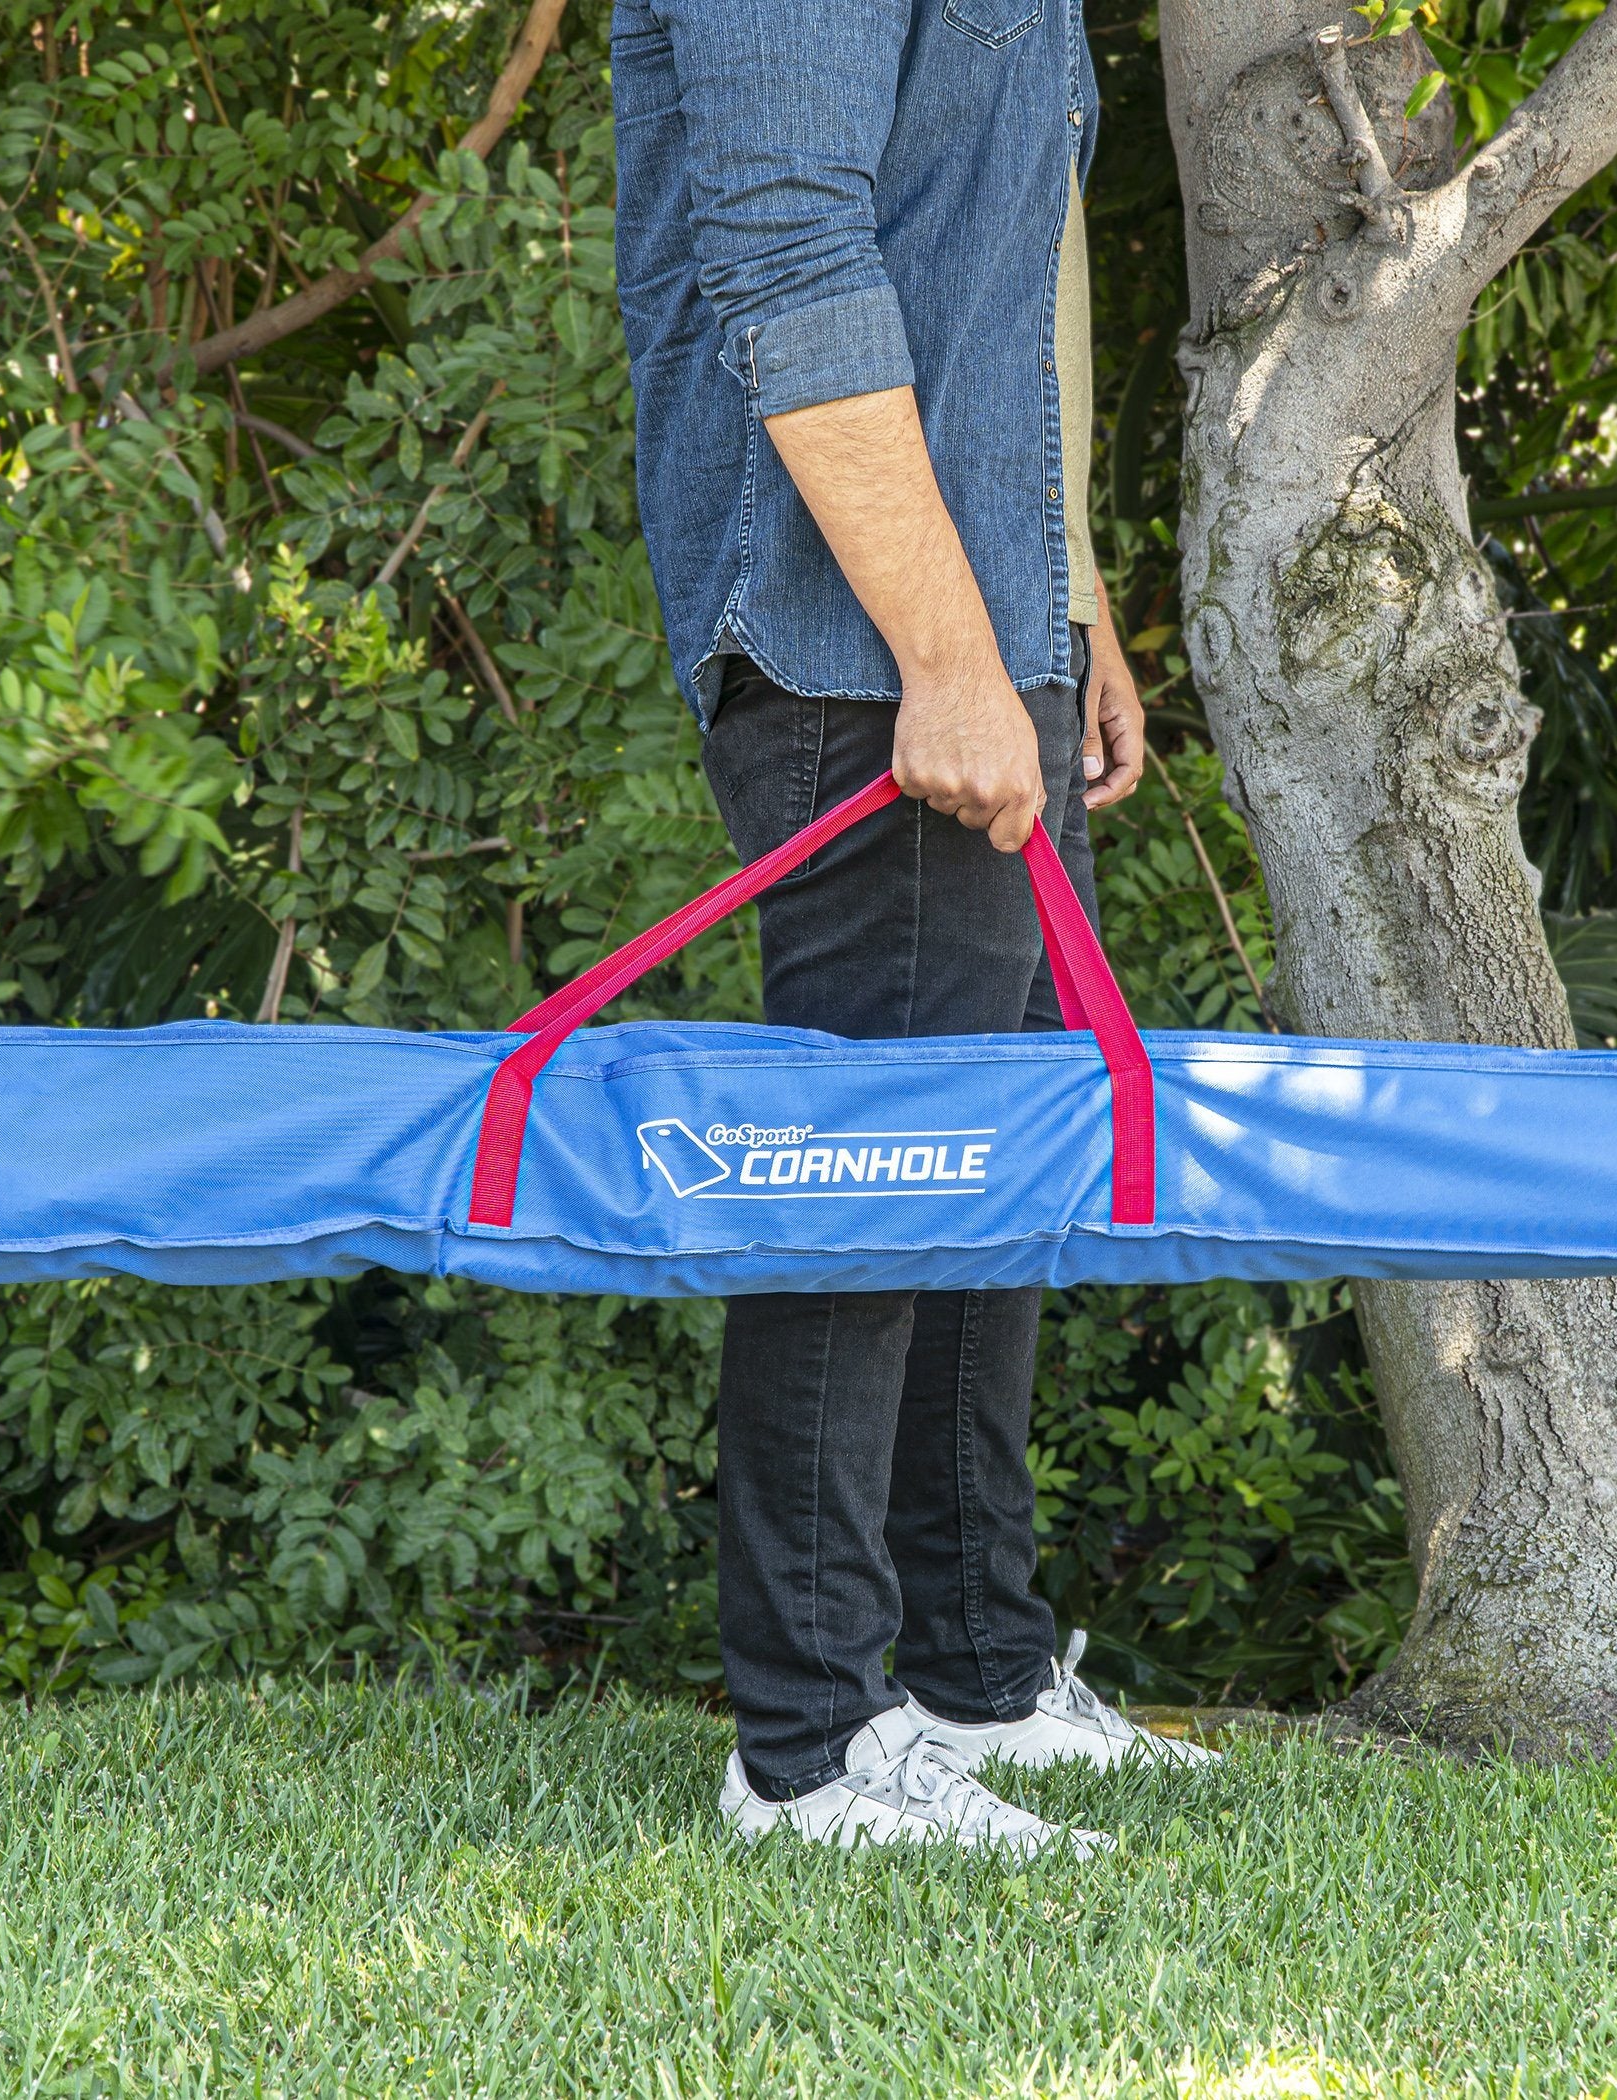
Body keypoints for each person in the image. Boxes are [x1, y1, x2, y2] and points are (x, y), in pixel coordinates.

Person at [610, 0, 1213, 1853]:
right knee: (864, 1182)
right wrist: (951, 659)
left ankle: (976, 1674)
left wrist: (1066, 604)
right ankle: (806, 1747)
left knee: (988, 1167)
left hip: (984, 626)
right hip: (857, 647)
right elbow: (788, 256)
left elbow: (1004, 277)